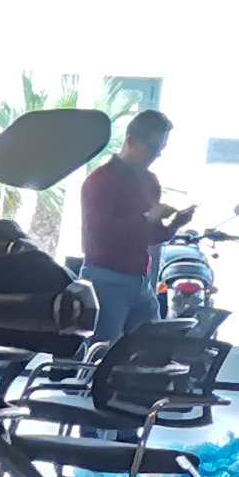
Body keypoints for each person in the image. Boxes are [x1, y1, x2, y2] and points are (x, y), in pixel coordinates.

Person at [74, 108, 178, 343]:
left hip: (141, 281)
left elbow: (148, 235)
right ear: (130, 141)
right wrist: (148, 219)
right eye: (152, 147)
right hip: (106, 279)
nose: (156, 155)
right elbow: (98, 234)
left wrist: (171, 226)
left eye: (160, 149)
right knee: (102, 352)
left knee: (149, 350)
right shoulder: (101, 180)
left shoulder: (149, 181)